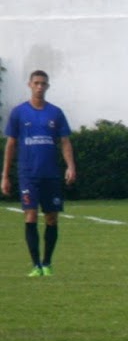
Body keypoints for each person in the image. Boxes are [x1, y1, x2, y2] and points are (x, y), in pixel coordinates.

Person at [2, 70, 77, 277]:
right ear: (29, 85)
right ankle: (36, 265)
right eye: (36, 83)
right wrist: (5, 175)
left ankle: (47, 263)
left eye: (43, 83)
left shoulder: (55, 113)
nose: (39, 87)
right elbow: (11, 144)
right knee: (31, 215)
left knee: (52, 218)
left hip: (51, 174)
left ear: (48, 86)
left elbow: (65, 141)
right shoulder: (19, 112)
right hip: (28, 174)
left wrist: (70, 166)